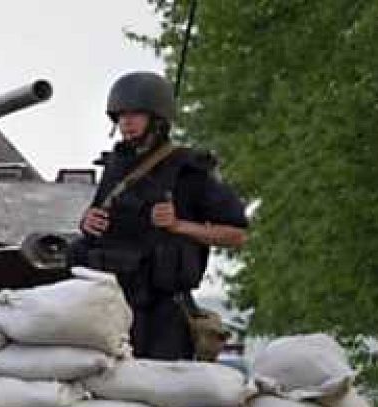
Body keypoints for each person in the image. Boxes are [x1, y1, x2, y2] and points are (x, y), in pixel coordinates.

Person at [72, 71, 249, 360]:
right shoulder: (115, 167)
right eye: (120, 116)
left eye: (135, 114)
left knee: (161, 379)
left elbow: (237, 235)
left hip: (163, 315)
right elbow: (101, 226)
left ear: (157, 119)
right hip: (112, 307)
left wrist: (179, 225)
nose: (126, 122)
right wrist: (87, 221)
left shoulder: (188, 170)